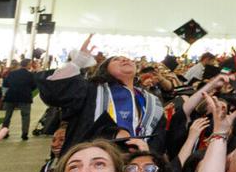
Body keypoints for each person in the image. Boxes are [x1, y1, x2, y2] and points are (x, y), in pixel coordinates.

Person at [39, 36, 167, 151]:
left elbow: (158, 136)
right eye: (116, 60)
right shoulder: (91, 90)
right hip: (93, 159)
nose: (124, 60)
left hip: (135, 164)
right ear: (104, 69)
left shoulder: (151, 100)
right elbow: (55, 92)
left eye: (127, 59)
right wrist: (77, 63)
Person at [0, 59, 37, 141]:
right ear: (27, 65)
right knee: (25, 116)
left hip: (11, 95)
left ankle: (4, 132)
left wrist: (4, 94)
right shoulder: (30, 75)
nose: (31, 65)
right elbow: (34, 85)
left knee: (8, 115)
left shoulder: (12, 73)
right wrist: (28, 90)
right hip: (25, 96)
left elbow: (5, 84)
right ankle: (24, 133)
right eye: (30, 64)